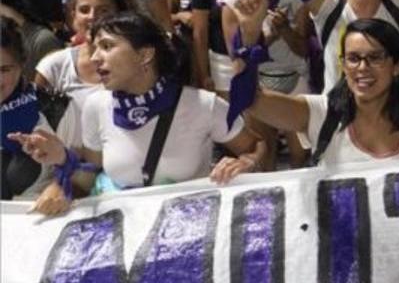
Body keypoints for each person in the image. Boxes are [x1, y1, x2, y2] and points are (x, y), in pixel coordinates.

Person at [13, 11, 261, 216]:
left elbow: (256, 146)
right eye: (95, 47)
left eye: (107, 46)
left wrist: (245, 163)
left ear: (145, 55)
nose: (96, 57)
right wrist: (62, 180)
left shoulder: (203, 105)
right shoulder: (95, 106)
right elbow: (90, 173)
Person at [227, 0, 399, 166]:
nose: (362, 67)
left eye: (375, 57)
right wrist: (248, 38)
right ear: (343, 65)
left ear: (397, 66)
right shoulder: (320, 113)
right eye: (353, 58)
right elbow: (248, 101)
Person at [219, 0, 312, 170]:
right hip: (258, 83)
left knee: (302, 153)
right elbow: (236, 58)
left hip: (294, 79)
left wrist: (285, 30)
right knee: (264, 156)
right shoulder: (233, 3)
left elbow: (303, 49)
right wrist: (265, 36)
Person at [34, 0, 131, 148]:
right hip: (70, 166)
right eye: (84, 10)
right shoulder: (53, 66)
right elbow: (37, 123)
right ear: (73, 15)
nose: (92, 17)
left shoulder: (134, 62)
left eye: (103, 10)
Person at [1, 17, 52, 200]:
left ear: (22, 64)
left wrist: (61, 188)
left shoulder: (54, 108)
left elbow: (82, 175)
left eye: (4, 70)